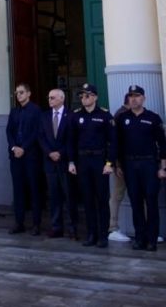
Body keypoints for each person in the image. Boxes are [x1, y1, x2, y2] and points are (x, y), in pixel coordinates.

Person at [115, 84, 166, 251]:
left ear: (143, 98)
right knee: (135, 202)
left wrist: (163, 167)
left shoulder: (153, 118)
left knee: (151, 201)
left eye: (137, 96)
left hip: (149, 164)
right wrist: (117, 165)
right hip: (130, 164)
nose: (133, 99)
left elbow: (162, 144)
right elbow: (117, 144)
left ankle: (152, 238)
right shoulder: (122, 118)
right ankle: (139, 237)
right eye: (131, 96)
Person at [67, 83, 114, 248]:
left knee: (102, 199)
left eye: (87, 95)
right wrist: (71, 161)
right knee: (87, 199)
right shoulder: (75, 116)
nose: (83, 98)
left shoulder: (105, 115)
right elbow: (71, 141)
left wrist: (110, 163)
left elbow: (112, 142)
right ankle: (91, 233)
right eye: (81, 96)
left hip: (99, 161)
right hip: (83, 161)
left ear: (95, 97)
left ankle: (103, 235)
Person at [7, 83, 44, 235]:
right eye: (17, 93)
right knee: (18, 190)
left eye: (21, 92)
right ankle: (19, 222)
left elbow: (37, 132)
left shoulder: (36, 110)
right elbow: (9, 131)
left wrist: (24, 148)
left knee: (34, 190)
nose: (19, 95)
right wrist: (14, 147)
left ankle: (36, 224)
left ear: (28, 93)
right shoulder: (14, 111)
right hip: (16, 156)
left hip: (31, 156)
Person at [38, 88, 75, 238]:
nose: (50, 100)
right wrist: (49, 152)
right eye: (49, 97)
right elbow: (40, 137)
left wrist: (61, 152)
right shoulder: (44, 116)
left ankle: (73, 227)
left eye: (53, 97)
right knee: (53, 196)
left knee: (69, 195)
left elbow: (72, 139)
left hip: (65, 161)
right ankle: (56, 226)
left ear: (61, 99)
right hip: (50, 162)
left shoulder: (70, 116)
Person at [108, 91, 132, 241]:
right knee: (117, 195)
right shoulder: (120, 115)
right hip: (121, 163)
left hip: (134, 162)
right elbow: (114, 142)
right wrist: (116, 164)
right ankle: (113, 227)